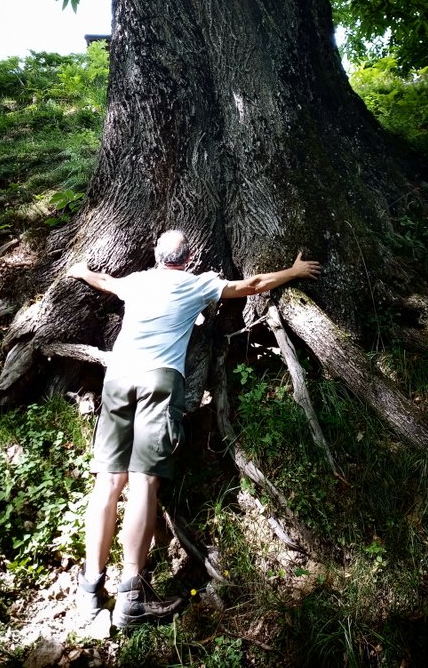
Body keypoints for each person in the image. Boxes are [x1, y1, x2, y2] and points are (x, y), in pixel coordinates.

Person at [66, 229, 321, 629]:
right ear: (187, 259)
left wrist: (82, 270)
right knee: (143, 482)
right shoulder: (197, 284)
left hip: (117, 380)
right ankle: (130, 593)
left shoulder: (137, 282)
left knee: (107, 483)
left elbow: (105, 282)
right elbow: (251, 285)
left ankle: (89, 589)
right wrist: (293, 270)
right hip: (158, 382)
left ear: (155, 256)